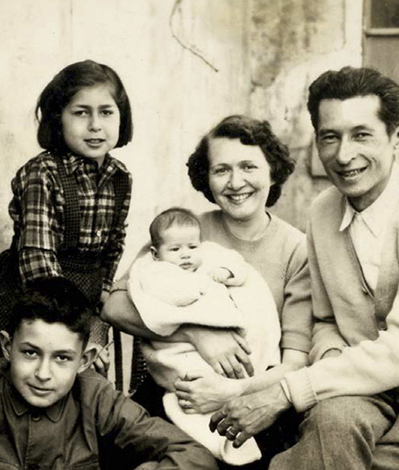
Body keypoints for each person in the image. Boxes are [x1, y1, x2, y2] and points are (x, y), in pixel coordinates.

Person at [210, 66, 399, 470]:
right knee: (329, 424)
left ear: (397, 138)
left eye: (362, 135)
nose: (343, 155)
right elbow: (324, 320)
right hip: (374, 391)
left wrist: (288, 391)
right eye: (329, 137)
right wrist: (334, 373)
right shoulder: (322, 213)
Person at [103, 115, 312, 468]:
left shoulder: (297, 250)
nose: (236, 182)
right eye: (221, 170)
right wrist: (194, 332)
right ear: (206, 178)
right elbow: (115, 306)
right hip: (177, 388)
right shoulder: (186, 232)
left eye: (249, 167)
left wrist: (231, 391)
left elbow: (295, 362)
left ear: (273, 172)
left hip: (253, 397)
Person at [0, 278, 218, 470]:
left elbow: (194, 456)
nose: (43, 373)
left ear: (85, 360)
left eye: (61, 358)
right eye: (30, 353)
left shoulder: (95, 397)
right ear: (6, 346)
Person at [0, 60, 133, 370]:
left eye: (106, 112)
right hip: (29, 296)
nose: (95, 125)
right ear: (58, 120)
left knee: (79, 379)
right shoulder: (43, 174)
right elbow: (39, 262)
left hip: (82, 300)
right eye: (81, 112)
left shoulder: (120, 177)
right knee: (17, 377)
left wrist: (101, 304)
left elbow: (114, 245)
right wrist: (77, 331)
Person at [128, 207, 282, 465]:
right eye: (175, 250)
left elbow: (237, 269)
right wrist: (196, 329)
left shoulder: (210, 254)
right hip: (180, 360)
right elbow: (130, 301)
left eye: (191, 247)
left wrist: (226, 275)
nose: (185, 254)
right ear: (156, 253)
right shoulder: (156, 269)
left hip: (253, 382)